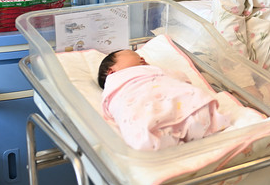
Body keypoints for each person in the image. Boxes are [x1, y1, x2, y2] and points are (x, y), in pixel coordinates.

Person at [98, 49, 230, 151]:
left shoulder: (154, 70)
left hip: (173, 101)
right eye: (133, 54)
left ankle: (190, 127)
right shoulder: (114, 81)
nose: (142, 58)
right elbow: (181, 77)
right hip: (142, 107)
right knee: (139, 117)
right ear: (111, 71)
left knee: (192, 106)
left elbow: (177, 78)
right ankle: (191, 127)